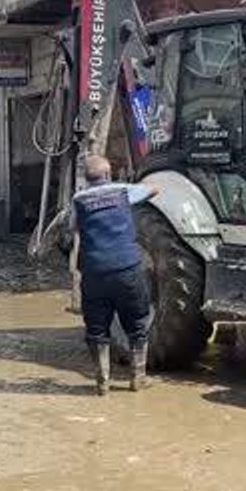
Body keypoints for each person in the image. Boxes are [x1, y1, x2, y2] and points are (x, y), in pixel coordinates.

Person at [70, 155, 158, 395]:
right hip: (127, 269)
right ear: (108, 175)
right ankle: (138, 379)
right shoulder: (122, 191)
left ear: (87, 178)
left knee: (97, 328)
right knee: (138, 323)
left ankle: (102, 383)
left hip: (94, 273)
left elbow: (72, 228)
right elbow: (154, 190)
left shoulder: (78, 200)